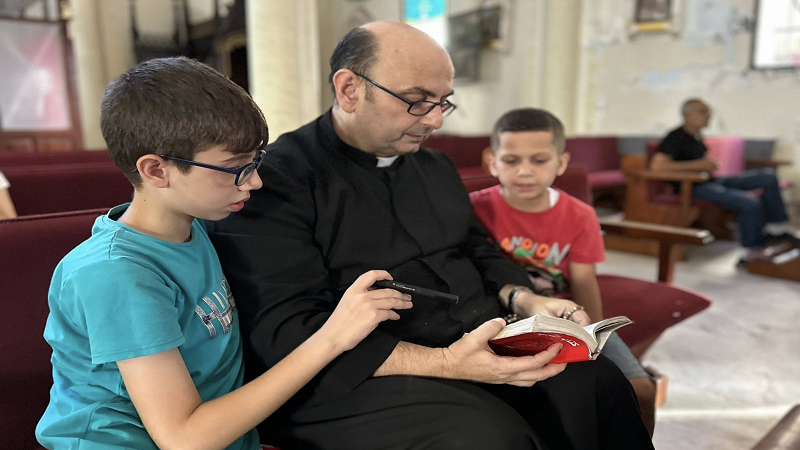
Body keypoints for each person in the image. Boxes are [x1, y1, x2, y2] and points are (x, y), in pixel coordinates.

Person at [209, 22, 653, 450]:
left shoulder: (434, 167)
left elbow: (476, 247)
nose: (437, 120)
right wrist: (447, 364)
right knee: (488, 436)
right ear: (349, 89)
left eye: (444, 102)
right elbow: (285, 327)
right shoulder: (277, 181)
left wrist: (524, 299)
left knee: (595, 384)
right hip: (355, 372)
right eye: (418, 101)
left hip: (471, 340)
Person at [35, 57, 411, 450]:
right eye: (235, 168)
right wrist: (332, 337)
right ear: (156, 171)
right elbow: (184, 438)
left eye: (255, 161)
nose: (255, 181)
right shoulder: (117, 275)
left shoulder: (196, 225)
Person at [470, 107, 658, 436]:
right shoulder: (473, 208)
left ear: (561, 162)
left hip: (566, 318)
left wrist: (590, 336)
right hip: (501, 318)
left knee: (640, 390)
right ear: (492, 161)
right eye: (511, 160)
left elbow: (584, 281)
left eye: (539, 160)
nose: (524, 171)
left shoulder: (579, 215)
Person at [652, 98, 799, 262]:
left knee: (768, 176)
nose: (709, 116)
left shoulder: (697, 136)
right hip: (693, 187)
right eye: (703, 112)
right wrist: (698, 165)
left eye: (709, 112)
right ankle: (751, 250)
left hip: (711, 180)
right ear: (687, 115)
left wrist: (708, 165)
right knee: (749, 202)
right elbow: (658, 166)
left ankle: (776, 229)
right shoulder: (675, 137)